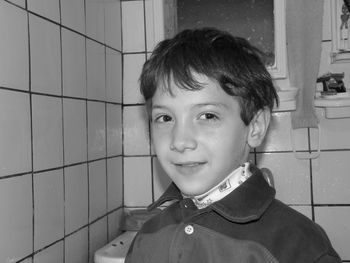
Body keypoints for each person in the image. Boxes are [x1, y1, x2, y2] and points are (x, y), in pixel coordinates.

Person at [125, 27, 341, 263]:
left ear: (255, 127)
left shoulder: (299, 246)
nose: (180, 141)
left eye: (207, 116)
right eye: (165, 118)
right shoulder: (148, 237)